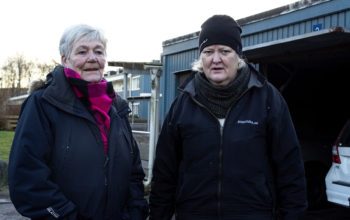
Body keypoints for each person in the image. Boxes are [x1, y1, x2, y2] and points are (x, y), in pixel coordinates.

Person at [149, 15, 307, 220]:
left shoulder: (267, 99)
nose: (216, 59)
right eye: (208, 52)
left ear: (238, 56)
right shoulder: (183, 104)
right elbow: (164, 174)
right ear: (200, 58)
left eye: (224, 51)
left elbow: (290, 170)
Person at [8, 24, 148, 220]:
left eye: (98, 51)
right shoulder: (42, 104)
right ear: (65, 59)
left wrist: (135, 212)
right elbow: (28, 179)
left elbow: (133, 172)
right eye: (82, 51)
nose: (92, 58)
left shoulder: (117, 108)